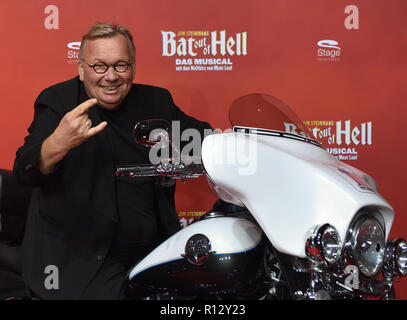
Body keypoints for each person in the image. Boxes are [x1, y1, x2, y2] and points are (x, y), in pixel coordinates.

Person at [13, 22, 211, 299]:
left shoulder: (156, 101)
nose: (111, 77)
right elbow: (25, 170)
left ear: (132, 67)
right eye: (99, 66)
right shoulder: (58, 102)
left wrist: (246, 143)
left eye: (121, 65)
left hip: (151, 253)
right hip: (79, 262)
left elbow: (203, 139)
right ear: (81, 69)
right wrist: (57, 143)